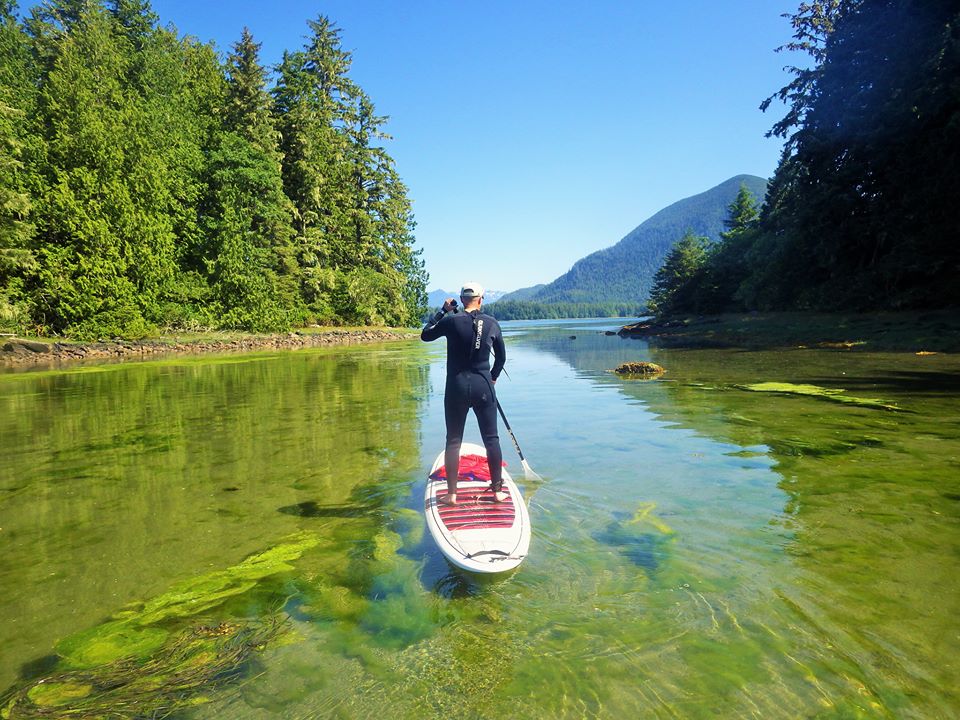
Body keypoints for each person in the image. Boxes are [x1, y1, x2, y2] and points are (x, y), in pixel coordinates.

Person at [421, 281, 507, 505]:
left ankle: (451, 495)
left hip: (456, 387)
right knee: (491, 439)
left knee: (453, 441)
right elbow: (502, 358)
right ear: (481, 299)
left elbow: (425, 334)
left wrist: (442, 311)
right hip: (483, 386)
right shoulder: (491, 323)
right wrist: (493, 377)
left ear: (460, 300)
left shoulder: (451, 321)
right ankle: (497, 492)